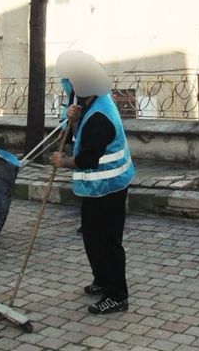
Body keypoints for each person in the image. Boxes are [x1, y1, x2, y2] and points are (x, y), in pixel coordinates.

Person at [50, 57, 135, 315]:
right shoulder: (90, 104)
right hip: (96, 188)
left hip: (109, 188)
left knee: (107, 243)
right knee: (91, 236)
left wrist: (63, 162)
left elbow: (88, 157)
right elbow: (79, 137)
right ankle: (102, 279)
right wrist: (73, 118)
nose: (68, 91)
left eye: (71, 85)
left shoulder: (100, 115)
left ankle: (117, 296)